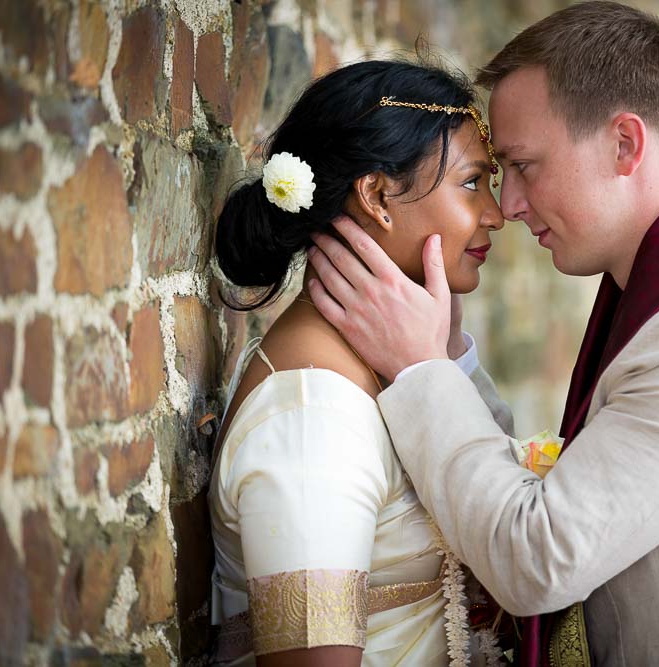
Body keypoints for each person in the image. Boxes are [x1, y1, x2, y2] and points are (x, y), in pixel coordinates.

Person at [304, 2, 659, 666]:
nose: (506, 206)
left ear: (624, 143)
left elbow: (536, 558)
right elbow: (560, 496)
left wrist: (423, 371)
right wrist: (446, 355)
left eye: (525, 166)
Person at [207, 59, 511, 666]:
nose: (497, 214)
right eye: (474, 182)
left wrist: (440, 356)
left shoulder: (398, 368)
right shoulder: (313, 415)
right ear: (377, 196)